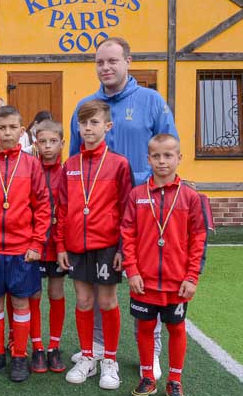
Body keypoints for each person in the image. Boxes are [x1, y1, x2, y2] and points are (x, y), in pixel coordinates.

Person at [68, 36, 178, 378]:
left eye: (113, 61)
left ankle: (152, 351)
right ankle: (99, 347)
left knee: (147, 279)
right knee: (99, 282)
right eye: (100, 62)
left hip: (146, 209)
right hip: (98, 214)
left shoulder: (151, 100)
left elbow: (168, 148)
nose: (106, 67)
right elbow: (74, 160)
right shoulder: (86, 106)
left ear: (129, 61)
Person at [122, 134, 208, 396]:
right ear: (148, 159)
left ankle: (175, 380)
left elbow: (198, 239)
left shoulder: (191, 197)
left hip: (176, 281)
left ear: (179, 158)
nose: (162, 161)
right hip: (144, 281)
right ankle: (148, 376)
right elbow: (127, 235)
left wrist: (192, 276)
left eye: (168, 155)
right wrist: (132, 271)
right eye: (156, 156)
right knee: (145, 327)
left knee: (176, 328)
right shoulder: (137, 195)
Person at [56, 100, 133, 389]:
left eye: (94, 123)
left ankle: (109, 360)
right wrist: (61, 246)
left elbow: (128, 209)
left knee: (107, 301)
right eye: (83, 123)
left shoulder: (119, 164)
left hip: (107, 245)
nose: (88, 128)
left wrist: (124, 248)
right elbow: (62, 209)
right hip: (76, 245)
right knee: (85, 301)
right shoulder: (70, 165)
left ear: (107, 126)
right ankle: (88, 356)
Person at [0, 105, 51, 382]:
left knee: (20, 302)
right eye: (0, 128)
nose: (6, 133)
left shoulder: (31, 164)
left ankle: (19, 355)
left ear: (21, 130)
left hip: (22, 250)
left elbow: (42, 207)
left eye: (11, 128)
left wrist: (36, 243)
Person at [24, 120, 67, 374]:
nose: (48, 147)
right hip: (34, 243)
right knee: (33, 294)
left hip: (58, 243)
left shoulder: (69, 170)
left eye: (53, 142)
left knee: (56, 291)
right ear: (35, 143)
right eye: (43, 142)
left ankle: (54, 346)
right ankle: (37, 346)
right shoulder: (30, 167)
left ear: (62, 143)